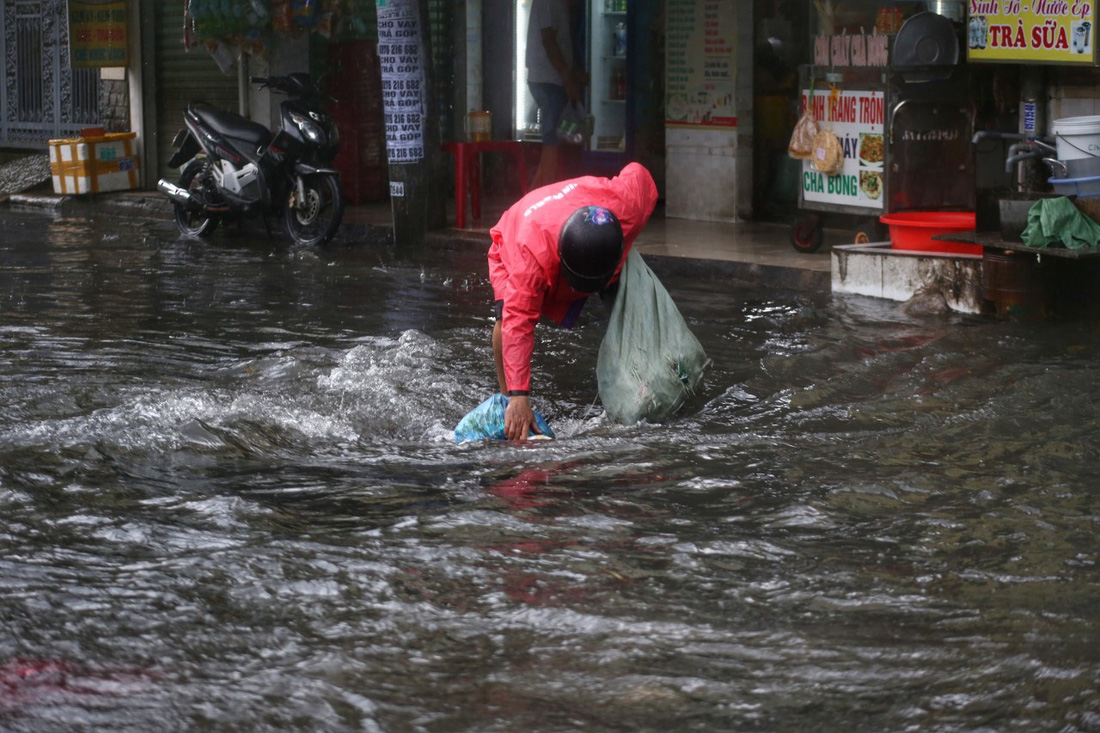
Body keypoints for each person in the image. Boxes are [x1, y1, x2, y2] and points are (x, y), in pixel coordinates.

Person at [488, 162, 659, 441]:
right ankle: (508, 405)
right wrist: (520, 395)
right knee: (505, 318)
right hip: (516, 235)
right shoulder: (529, 259)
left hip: (587, 225)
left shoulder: (628, 205)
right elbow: (517, 324)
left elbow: (640, 172)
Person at [526, 0, 585, 189]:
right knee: (552, 136)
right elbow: (549, 40)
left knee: (554, 136)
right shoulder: (549, 2)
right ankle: (546, 191)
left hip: (553, 78)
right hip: (548, 78)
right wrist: (568, 78)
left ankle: (535, 191)